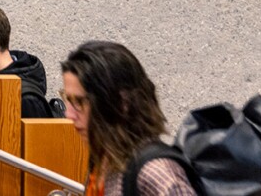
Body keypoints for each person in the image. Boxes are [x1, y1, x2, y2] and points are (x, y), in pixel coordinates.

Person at [61, 41, 198, 196]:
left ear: (121, 103)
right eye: (68, 100)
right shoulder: (103, 159)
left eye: (79, 102)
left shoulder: (157, 174)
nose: (69, 115)